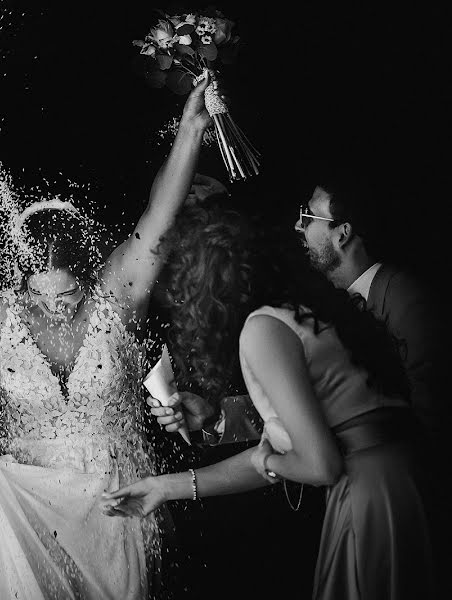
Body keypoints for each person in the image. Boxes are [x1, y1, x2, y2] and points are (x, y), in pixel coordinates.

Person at [0, 73, 214, 600]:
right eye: (40, 298)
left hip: (117, 501)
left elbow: (159, 217)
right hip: (31, 510)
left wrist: (190, 129)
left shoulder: (117, 297)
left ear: (89, 276)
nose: (56, 309)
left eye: (67, 297)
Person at [102, 199, 438, 598]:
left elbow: (320, 464)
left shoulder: (263, 329)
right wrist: (164, 486)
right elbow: (303, 443)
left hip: (371, 497)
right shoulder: (310, 311)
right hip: (406, 484)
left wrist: (265, 459)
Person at [295, 175, 444, 450]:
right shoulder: (331, 304)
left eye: (307, 217)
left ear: (343, 233)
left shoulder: (407, 301)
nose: (297, 225)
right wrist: (219, 418)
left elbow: (431, 417)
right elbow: (306, 395)